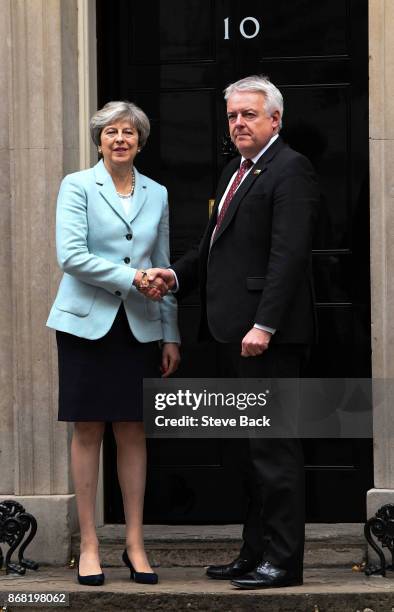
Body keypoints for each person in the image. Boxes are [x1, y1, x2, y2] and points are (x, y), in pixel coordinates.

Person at [144, 75, 319, 589]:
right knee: (247, 452)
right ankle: (255, 551)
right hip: (227, 333)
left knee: (274, 448)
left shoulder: (291, 170)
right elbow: (211, 249)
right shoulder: (234, 172)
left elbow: (288, 257)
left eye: (248, 114)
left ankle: (284, 561)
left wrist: (264, 323)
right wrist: (175, 275)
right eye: (232, 116)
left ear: (275, 120)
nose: (238, 123)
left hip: (267, 338)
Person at [47, 101, 180, 586]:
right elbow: (71, 255)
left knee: (133, 430)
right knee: (88, 430)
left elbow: (163, 264)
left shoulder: (157, 193)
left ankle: (135, 544)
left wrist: (170, 333)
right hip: (86, 325)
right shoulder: (77, 185)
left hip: (141, 326)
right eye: (110, 132)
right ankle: (88, 544)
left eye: (128, 132)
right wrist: (133, 276)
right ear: (99, 141)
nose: (119, 139)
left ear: (140, 142)